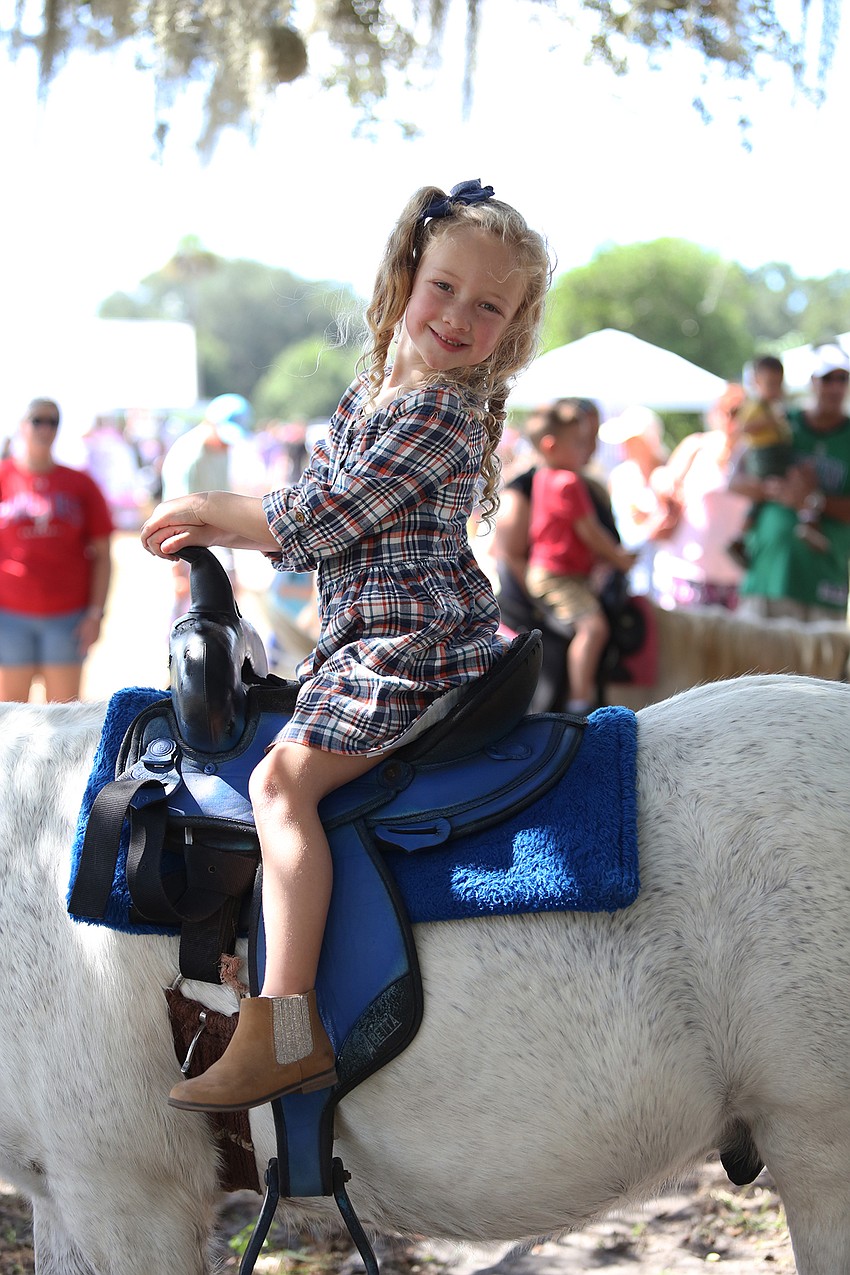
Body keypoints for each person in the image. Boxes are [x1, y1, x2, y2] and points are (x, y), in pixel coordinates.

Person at [140, 179, 552, 1111]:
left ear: (512, 326)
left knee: (282, 785)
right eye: (444, 287)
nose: (458, 317)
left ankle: (283, 1025)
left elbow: (325, 519)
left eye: (489, 306)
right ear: (409, 274)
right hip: (357, 637)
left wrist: (211, 511)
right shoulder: (370, 391)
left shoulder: (440, 412)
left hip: (413, 642)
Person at [524, 406, 635, 715]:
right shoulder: (568, 482)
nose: (586, 449)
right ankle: (580, 701)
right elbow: (590, 531)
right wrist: (619, 558)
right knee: (594, 628)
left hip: (561, 572)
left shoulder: (543, 477)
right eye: (578, 443)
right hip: (557, 575)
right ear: (551, 446)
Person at [0, 398, 113, 701]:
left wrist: (95, 613)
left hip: (66, 615)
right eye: (38, 420)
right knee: (12, 718)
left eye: (53, 421)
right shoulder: (4, 478)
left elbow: (103, 554)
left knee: (63, 716)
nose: (45, 428)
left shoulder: (80, 484)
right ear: (23, 425)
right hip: (10, 614)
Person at [729, 343, 850, 621]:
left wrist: (813, 500)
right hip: (767, 581)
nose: (834, 387)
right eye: (827, 378)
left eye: (842, 378)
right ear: (813, 382)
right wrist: (769, 490)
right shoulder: (780, 421)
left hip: (823, 587)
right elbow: (734, 479)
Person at [652, 383, 751, 610]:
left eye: (741, 412)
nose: (734, 420)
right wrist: (664, 486)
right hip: (688, 569)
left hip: (734, 577)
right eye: (729, 411)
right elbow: (663, 478)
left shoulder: (752, 456)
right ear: (716, 413)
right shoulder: (697, 447)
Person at [159, 393, 254, 619]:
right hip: (185, 548)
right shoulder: (189, 455)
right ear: (210, 423)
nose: (226, 444)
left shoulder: (221, 451)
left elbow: (226, 509)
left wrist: (232, 564)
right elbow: (175, 516)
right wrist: (178, 572)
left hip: (213, 540)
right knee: (184, 616)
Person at [599, 405, 679, 598]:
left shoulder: (667, 475)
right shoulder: (621, 476)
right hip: (631, 570)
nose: (624, 446)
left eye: (631, 441)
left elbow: (669, 526)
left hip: (664, 572)